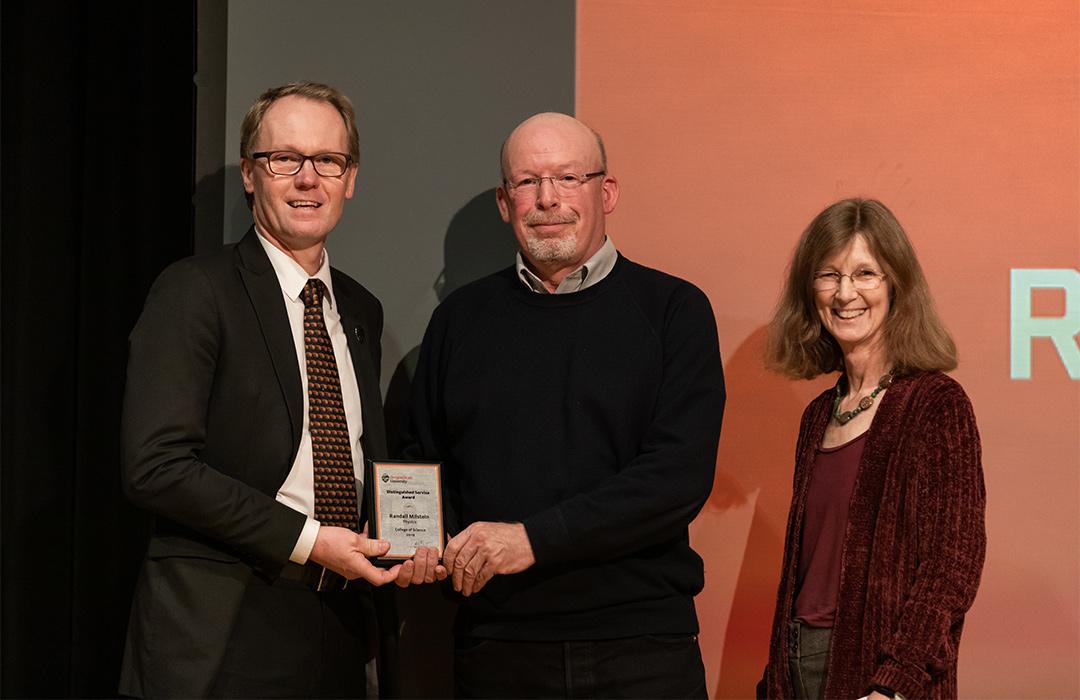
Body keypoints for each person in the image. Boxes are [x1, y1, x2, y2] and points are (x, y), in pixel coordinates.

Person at [119, 81, 440, 698]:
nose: (306, 178)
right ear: (249, 174)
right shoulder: (194, 291)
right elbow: (154, 466)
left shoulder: (359, 309)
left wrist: (405, 540)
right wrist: (311, 541)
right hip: (225, 627)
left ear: (351, 179)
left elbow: (355, 457)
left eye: (328, 161)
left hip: (341, 622)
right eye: (283, 159)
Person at [403, 112, 726, 698]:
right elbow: (421, 460)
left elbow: (676, 477)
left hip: (643, 647)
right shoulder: (459, 320)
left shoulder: (674, 311)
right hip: (497, 647)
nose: (548, 199)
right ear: (505, 203)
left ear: (607, 192)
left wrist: (532, 539)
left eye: (568, 178)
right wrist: (426, 541)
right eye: (527, 182)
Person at [759, 198, 986, 700]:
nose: (845, 294)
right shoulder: (819, 413)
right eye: (829, 275)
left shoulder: (936, 403)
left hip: (879, 673)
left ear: (896, 285)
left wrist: (896, 685)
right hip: (800, 663)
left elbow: (953, 563)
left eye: (866, 274)